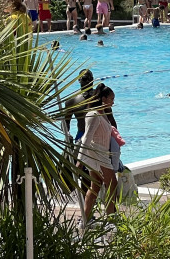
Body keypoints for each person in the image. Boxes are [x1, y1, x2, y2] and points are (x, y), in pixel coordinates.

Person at [80, 84, 118, 226]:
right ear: (104, 98)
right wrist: (80, 160)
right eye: (111, 99)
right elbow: (86, 138)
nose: (113, 102)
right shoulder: (93, 115)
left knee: (95, 186)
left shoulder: (103, 113)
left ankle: (86, 219)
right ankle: (111, 220)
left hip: (102, 153)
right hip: (96, 154)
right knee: (112, 184)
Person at [64, 69, 95, 141]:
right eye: (85, 79)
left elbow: (110, 118)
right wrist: (67, 134)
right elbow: (65, 122)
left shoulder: (100, 96)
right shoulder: (72, 100)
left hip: (99, 135)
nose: (88, 81)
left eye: (90, 79)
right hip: (82, 134)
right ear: (79, 80)